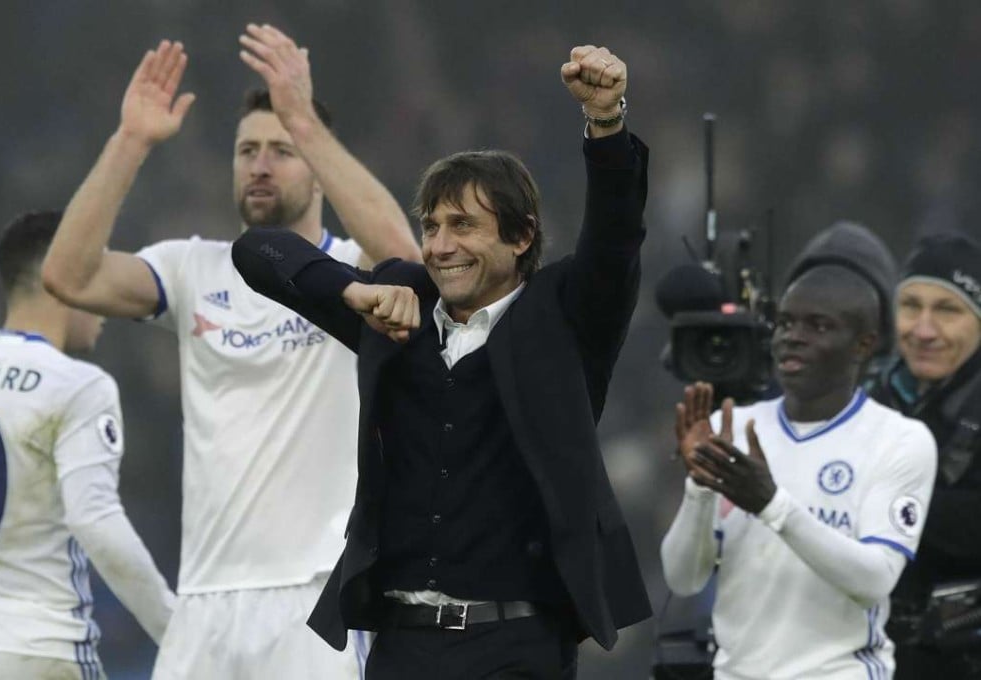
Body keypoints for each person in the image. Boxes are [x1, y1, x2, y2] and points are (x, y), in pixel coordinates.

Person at [232, 43, 650, 679]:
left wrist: (606, 123)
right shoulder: (396, 305)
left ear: (522, 236)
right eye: (430, 227)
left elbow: (616, 235)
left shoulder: (565, 315)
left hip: (517, 647)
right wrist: (352, 290)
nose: (441, 246)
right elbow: (256, 252)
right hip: (402, 646)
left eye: (464, 226)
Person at [41, 25, 420, 679]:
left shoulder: (350, 274)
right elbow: (70, 278)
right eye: (247, 150)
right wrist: (130, 141)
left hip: (315, 597)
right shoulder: (193, 270)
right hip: (205, 606)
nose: (261, 164)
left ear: (320, 170)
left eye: (282, 149)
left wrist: (303, 117)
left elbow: (406, 261)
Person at [661, 264, 938, 679]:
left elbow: (876, 578)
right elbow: (683, 578)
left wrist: (773, 505)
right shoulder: (730, 426)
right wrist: (698, 489)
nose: (793, 336)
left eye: (818, 326)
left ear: (863, 345)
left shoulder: (900, 439)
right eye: (786, 323)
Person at [0, 211, 174, 679]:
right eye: (96, 278)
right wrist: (179, 633)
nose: (106, 301)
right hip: (41, 650)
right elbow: (95, 522)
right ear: (66, 277)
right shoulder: (77, 386)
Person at [870, 232, 981, 678]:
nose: (924, 330)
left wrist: (878, 499)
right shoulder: (864, 396)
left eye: (948, 310)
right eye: (911, 306)